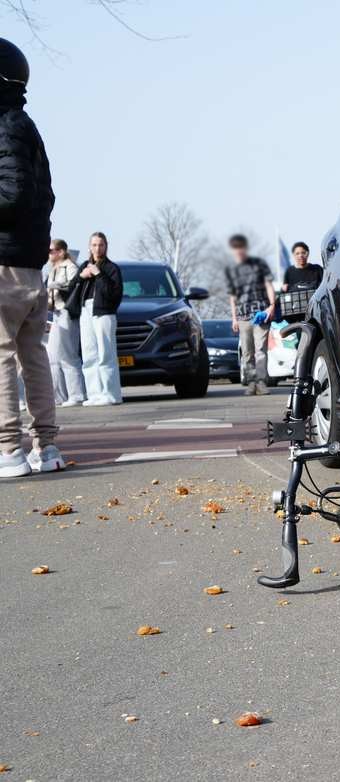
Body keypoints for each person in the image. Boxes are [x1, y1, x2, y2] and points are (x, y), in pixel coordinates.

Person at [0, 37, 62, 477]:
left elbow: (13, 194)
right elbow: (45, 195)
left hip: (5, 264)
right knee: (32, 356)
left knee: (2, 355)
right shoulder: (25, 124)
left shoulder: (4, 124)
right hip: (30, 262)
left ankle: (9, 450)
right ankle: (47, 447)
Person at [68, 232, 123, 406]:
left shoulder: (112, 268)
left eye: (100, 245)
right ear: (89, 247)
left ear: (106, 246)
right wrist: (80, 276)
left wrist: (99, 274)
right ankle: (94, 394)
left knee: (106, 354)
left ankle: (111, 394)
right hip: (85, 311)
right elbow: (70, 289)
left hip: (104, 313)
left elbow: (114, 294)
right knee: (89, 353)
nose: (97, 248)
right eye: (94, 245)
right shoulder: (84, 265)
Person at [225, 233, 276, 394]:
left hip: (261, 313)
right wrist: (233, 318)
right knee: (247, 352)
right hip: (242, 316)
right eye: (235, 248)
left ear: (246, 248)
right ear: (233, 250)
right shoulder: (231, 270)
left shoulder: (259, 264)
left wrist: (272, 305)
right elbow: (232, 297)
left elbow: (269, 285)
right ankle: (251, 383)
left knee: (261, 350)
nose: (239, 251)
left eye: (241, 247)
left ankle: (261, 382)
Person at [44, 238, 84, 405]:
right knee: (53, 357)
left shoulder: (70, 266)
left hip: (67, 312)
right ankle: (59, 396)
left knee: (69, 355)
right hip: (56, 314)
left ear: (61, 251)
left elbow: (74, 286)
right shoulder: (53, 269)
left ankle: (77, 394)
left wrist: (57, 284)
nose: (49, 254)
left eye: (52, 250)